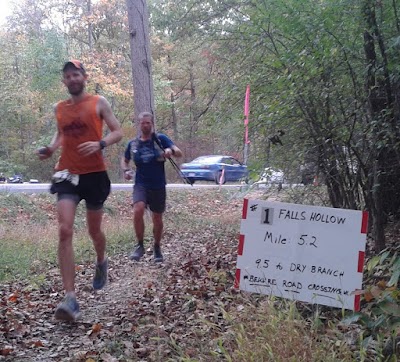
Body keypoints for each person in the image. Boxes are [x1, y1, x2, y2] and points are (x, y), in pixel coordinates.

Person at [37, 60, 123, 322]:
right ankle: (70, 298)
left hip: (95, 175)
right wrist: (51, 149)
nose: (72, 79)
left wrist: (100, 143)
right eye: (67, 76)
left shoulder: (99, 102)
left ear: (84, 77)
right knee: (64, 230)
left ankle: (101, 260)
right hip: (67, 173)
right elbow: (60, 134)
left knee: (94, 230)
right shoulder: (59, 108)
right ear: (64, 81)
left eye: (76, 74)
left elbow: (117, 131)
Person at [121, 112, 182, 263]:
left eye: (148, 123)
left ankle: (157, 246)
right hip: (141, 184)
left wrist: (170, 151)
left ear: (152, 124)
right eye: (143, 123)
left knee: (157, 218)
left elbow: (179, 153)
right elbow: (125, 159)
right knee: (138, 210)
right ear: (139, 124)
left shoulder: (160, 139)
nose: (145, 125)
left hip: (158, 185)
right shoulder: (133, 144)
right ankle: (139, 245)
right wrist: (126, 170)